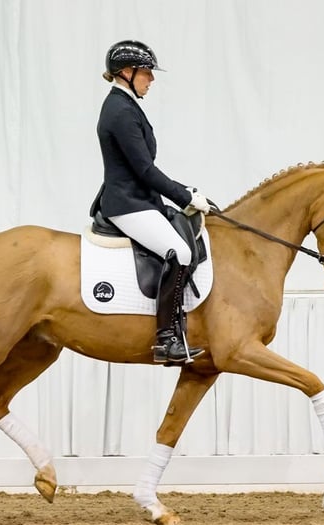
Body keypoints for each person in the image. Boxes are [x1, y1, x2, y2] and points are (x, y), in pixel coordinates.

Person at [92, 40, 211, 363]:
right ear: (126, 72)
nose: (151, 79)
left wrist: (186, 194)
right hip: (127, 203)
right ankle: (166, 339)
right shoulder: (119, 110)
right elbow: (144, 170)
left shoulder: (127, 105)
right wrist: (184, 196)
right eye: (146, 72)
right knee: (180, 252)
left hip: (142, 199)